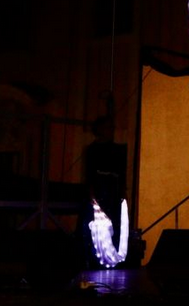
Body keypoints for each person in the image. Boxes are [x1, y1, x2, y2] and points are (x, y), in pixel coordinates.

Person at [81, 115, 128, 268]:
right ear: (100, 129)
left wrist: (122, 191)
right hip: (100, 188)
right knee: (98, 223)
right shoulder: (92, 150)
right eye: (108, 127)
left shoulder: (117, 150)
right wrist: (92, 194)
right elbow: (89, 173)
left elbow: (121, 172)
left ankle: (112, 258)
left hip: (113, 189)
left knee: (114, 222)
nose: (111, 131)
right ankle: (95, 258)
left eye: (112, 128)